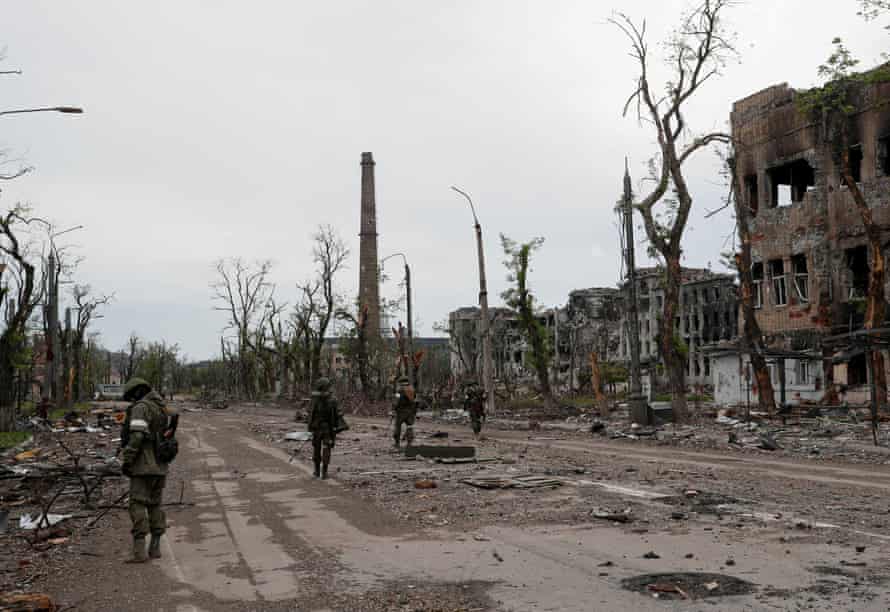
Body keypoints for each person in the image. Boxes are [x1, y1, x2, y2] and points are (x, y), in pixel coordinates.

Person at [120, 377, 178, 563]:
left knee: (137, 504)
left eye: (132, 396)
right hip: (160, 465)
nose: (132, 400)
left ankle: (139, 552)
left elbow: (136, 436)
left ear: (137, 392)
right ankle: (155, 549)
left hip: (143, 465)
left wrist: (127, 459)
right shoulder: (162, 407)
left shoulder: (141, 408)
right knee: (154, 505)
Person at [308, 378, 340, 479]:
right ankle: (323, 473)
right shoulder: (333, 400)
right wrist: (336, 428)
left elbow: (310, 414)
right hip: (327, 429)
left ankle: (317, 472)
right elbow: (336, 416)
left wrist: (310, 428)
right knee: (326, 449)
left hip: (317, 428)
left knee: (317, 449)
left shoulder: (314, 399)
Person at [392, 376, 417, 449]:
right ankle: (409, 443)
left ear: (401, 382)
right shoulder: (412, 389)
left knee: (397, 427)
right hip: (411, 412)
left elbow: (396, 401)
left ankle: (397, 444)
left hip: (401, 411)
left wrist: (393, 409)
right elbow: (416, 400)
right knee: (409, 427)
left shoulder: (399, 390)